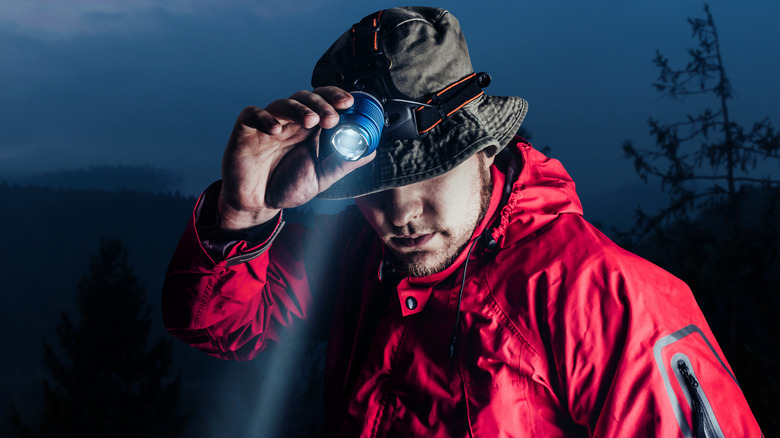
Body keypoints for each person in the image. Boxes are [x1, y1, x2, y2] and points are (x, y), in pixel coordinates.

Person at [162, 7, 762, 437]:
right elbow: (220, 327)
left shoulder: (599, 294)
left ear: (483, 146)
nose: (399, 214)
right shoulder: (359, 255)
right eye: (371, 189)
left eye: (428, 172)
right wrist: (244, 210)